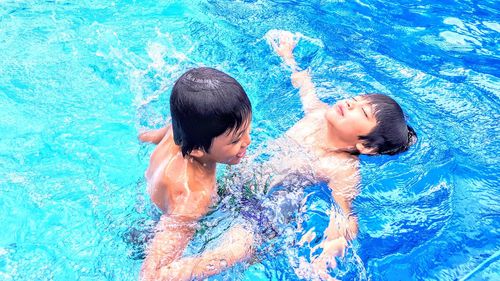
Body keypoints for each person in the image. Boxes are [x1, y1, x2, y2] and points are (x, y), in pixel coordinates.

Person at [144, 31, 417, 280]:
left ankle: (185, 270)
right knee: (205, 206)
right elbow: (304, 85)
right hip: (246, 177)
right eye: (358, 99)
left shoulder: (343, 167)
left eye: (362, 112)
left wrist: (333, 244)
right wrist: (289, 58)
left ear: (367, 147)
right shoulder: (318, 114)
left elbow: (345, 212)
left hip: (271, 205)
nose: (351, 103)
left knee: (238, 248)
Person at [137, 67, 252, 281]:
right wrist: (230, 254)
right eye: (236, 140)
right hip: (157, 222)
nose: (248, 141)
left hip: (155, 191)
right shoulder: (193, 197)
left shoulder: (180, 130)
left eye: (247, 129)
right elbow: (151, 276)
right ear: (197, 150)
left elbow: (146, 137)